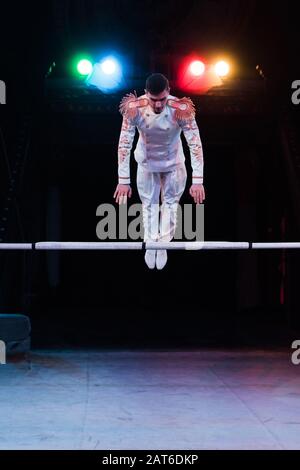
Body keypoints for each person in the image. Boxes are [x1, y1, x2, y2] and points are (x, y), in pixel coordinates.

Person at [113, 73, 205, 269]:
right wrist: (123, 180)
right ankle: (151, 241)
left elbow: (194, 144)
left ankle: (162, 243)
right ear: (146, 94)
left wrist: (198, 180)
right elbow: (124, 144)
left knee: (171, 205)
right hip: (147, 163)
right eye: (153, 100)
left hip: (174, 164)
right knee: (149, 205)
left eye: (162, 99)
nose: (158, 105)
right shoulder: (134, 108)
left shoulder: (180, 108)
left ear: (169, 92)